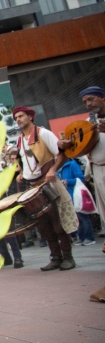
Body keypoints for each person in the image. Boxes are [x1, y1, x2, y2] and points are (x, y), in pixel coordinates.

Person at [14, 106, 78, 271]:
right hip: (32, 186)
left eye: (21, 116)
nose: (18, 120)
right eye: (16, 118)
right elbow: (24, 161)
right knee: (43, 224)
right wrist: (21, 173)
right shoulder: (20, 139)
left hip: (47, 183)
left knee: (58, 221)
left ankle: (68, 257)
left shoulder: (43, 133)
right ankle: (55, 257)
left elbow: (63, 153)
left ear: (30, 117)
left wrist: (52, 170)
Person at [61, 87, 105, 237]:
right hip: (98, 171)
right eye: (85, 101)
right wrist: (64, 145)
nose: (88, 104)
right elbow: (79, 148)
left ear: (103, 98)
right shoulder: (87, 123)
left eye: (91, 99)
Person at [58, 158, 96, 245]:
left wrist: (68, 181)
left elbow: (81, 178)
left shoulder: (72, 164)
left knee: (83, 216)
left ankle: (89, 237)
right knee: (76, 218)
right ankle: (81, 237)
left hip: (76, 194)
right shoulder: (57, 168)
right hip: (67, 196)